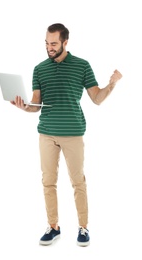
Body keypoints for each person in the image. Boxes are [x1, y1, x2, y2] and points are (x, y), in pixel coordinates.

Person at [10, 23, 122, 247]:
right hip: (46, 135)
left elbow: (97, 99)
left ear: (65, 42)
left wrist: (112, 84)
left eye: (53, 43)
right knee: (48, 182)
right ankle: (53, 227)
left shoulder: (82, 66)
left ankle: (83, 227)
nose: (49, 47)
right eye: (46, 43)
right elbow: (36, 105)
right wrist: (24, 107)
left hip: (73, 133)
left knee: (78, 181)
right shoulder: (39, 69)